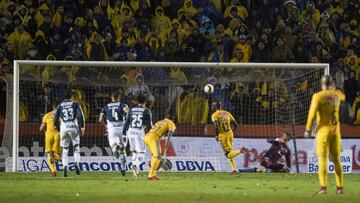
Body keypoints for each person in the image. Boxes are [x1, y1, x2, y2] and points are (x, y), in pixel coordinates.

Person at [304, 75, 345, 194]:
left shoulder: (318, 96)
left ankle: (323, 187)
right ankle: (340, 187)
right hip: (335, 132)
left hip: (323, 131)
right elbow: (343, 96)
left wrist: (308, 129)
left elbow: (311, 114)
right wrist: (338, 86)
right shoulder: (337, 95)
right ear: (331, 84)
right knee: (336, 160)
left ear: (322, 84)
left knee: (322, 159)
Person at [54, 90, 85, 177]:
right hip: (73, 127)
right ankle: (76, 163)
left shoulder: (60, 105)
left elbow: (55, 119)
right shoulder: (75, 104)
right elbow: (80, 116)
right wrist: (81, 127)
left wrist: (58, 129)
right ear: (71, 96)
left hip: (63, 128)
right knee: (76, 147)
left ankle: (65, 167)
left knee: (65, 150)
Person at [211, 101, 245, 175]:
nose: (212, 107)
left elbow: (216, 126)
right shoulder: (227, 113)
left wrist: (216, 135)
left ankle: (240, 151)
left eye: (212, 106)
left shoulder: (214, 115)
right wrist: (230, 131)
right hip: (230, 134)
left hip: (222, 135)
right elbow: (235, 124)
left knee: (227, 155)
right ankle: (234, 170)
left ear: (215, 107)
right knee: (230, 153)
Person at [99, 90, 128, 176]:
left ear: (111, 97)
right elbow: (128, 111)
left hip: (112, 129)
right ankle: (123, 168)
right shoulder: (122, 105)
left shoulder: (105, 107)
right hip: (122, 129)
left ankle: (116, 148)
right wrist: (126, 118)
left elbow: (100, 119)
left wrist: (106, 126)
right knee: (123, 151)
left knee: (114, 147)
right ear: (119, 97)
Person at [123, 94, 153, 178]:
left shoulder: (131, 110)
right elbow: (149, 126)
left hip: (130, 131)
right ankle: (135, 165)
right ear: (145, 101)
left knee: (134, 152)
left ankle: (135, 173)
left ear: (137, 101)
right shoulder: (146, 111)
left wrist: (124, 134)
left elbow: (126, 123)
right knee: (142, 153)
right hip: (139, 131)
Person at [145, 111, 176, 180]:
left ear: (166, 117)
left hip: (147, 136)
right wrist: (166, 148)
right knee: (157, 155)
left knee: (155, 156)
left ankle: (153, 174)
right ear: (173, 118)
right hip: (153, 137)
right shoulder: (171, 123)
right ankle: (151, 175)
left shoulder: (159, 121)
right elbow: (168, 136)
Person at [40, 100, 61, 177]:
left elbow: (41, 128)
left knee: (49, 153)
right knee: (58, 155)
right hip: (57, 135)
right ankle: (54, 157)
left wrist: (45, 132)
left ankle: (53, 171)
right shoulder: (60, 115)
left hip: (48, 135)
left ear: (52, 107)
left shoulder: (46, 115)